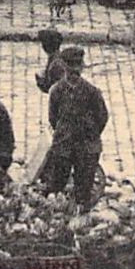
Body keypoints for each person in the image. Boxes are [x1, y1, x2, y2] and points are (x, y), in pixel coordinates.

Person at [43, 46, 109, 205]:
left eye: (77, 68)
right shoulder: (57, 91)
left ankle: (81, 213)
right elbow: (53, 118)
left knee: (83, 189)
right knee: (57, 184)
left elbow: (102, 117)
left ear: (81, 68)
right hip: (63, 144)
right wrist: (64, 132)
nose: (73, 73)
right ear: (64, 68)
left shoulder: (92, 92)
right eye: (70, 68)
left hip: (86, 145)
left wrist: (89, 133)